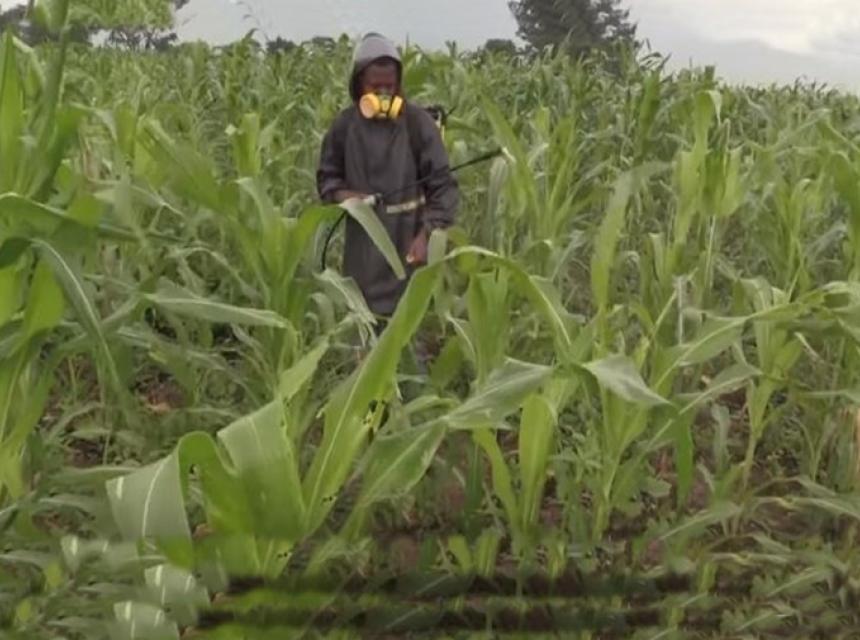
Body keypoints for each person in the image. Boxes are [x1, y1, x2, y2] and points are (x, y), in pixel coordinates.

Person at [316, 32, 459, 327]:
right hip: (364, 245)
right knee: (364, 323)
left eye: (389, 87)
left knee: (408, 324)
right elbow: (327, 180)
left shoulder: (417, 123)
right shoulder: (344, 128)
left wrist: (427, 234)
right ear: (358, 86)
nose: (383, 94)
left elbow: (443, 187)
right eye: (375, 86)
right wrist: (346, 197)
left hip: (410, 240)